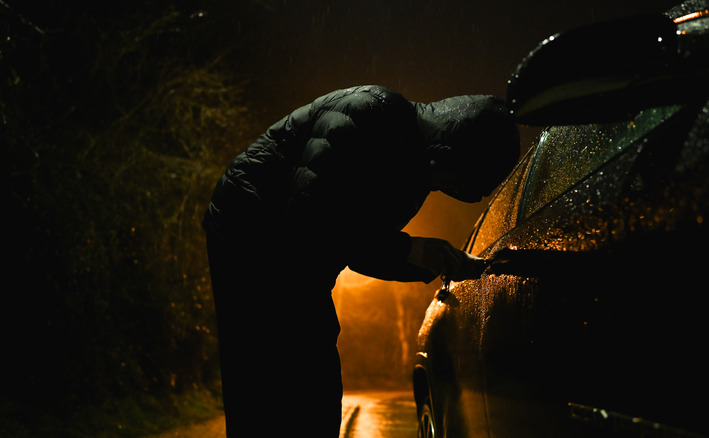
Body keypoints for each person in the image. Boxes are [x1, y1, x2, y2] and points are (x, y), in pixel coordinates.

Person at [203, 85, 521, 436]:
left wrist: (431, 260)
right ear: (453, 152)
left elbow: (360, 250)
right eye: (466, 180)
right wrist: (409, 250)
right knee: (267, 366)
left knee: (308, 363)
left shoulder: (416, 175)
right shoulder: (367, 115)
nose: (464, 192)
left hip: (295, 254)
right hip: (248, 229)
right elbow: (308, 215)